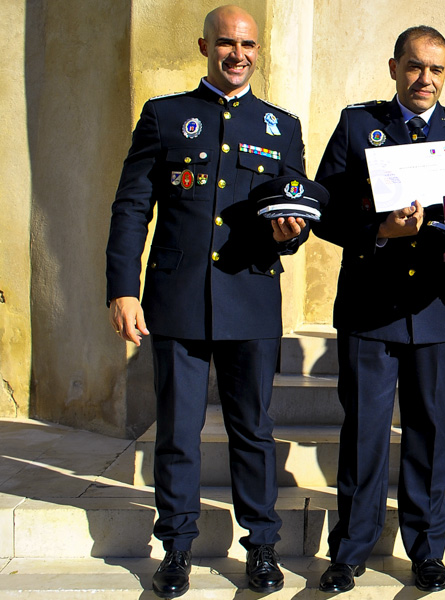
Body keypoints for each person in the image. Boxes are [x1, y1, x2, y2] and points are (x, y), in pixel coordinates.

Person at [105, 5, 307, 597]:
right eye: (226, 43)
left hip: (249, 298)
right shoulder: (166, 117)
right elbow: (131, 207)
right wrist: (123, 287)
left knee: (253, 430)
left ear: (258, 50)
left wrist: (292, 233)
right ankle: (176, 547)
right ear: (204, 46)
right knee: (177, 431)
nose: (237, 54)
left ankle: (262, 546)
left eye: (247, 44)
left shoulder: (281, 126)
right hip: (178, 299)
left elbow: (291, 214)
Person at [311, 25, 445, 595]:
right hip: (372, 309)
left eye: (437, 70)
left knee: (427, 432)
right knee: (365, 434)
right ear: (394, 67)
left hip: (437, 308)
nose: (426, 79)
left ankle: (426, 549)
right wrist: (378, 230)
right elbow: (324, 207)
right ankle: (350, 550)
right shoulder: (359, 125)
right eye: (416, 67)